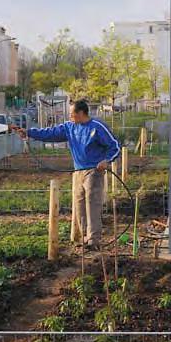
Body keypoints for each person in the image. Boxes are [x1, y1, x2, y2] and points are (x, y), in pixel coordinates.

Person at [10, 99, 120, 250]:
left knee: (91, 204)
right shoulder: (70, 127)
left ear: (81, 113)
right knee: (79, 204)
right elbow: (50, 133)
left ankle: (94, 240)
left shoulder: (97, 127)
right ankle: (84, 237)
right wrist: (29, 132)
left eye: (72, 114)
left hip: (94, 171)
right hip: (78, 171)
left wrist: (106, 161)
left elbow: (114, 146)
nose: (70, 117)